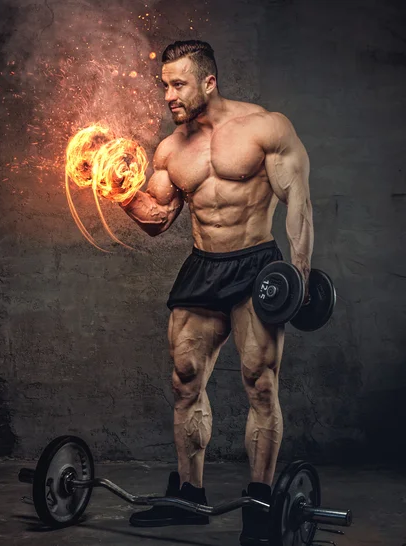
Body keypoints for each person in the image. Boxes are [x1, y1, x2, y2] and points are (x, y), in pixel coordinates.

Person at [118, 40, 313, 546]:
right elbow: (158, 221)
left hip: (255, 266)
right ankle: (189, 495)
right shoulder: (169, 149)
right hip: (204, 266)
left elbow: (298, 205)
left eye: (178, 84)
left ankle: (260, 506)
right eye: (164, 84)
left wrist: (300, 273)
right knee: (185, 380)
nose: (168, 95)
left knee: (260, 384)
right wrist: (118, 191)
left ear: (209, 82)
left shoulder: (266, 128)